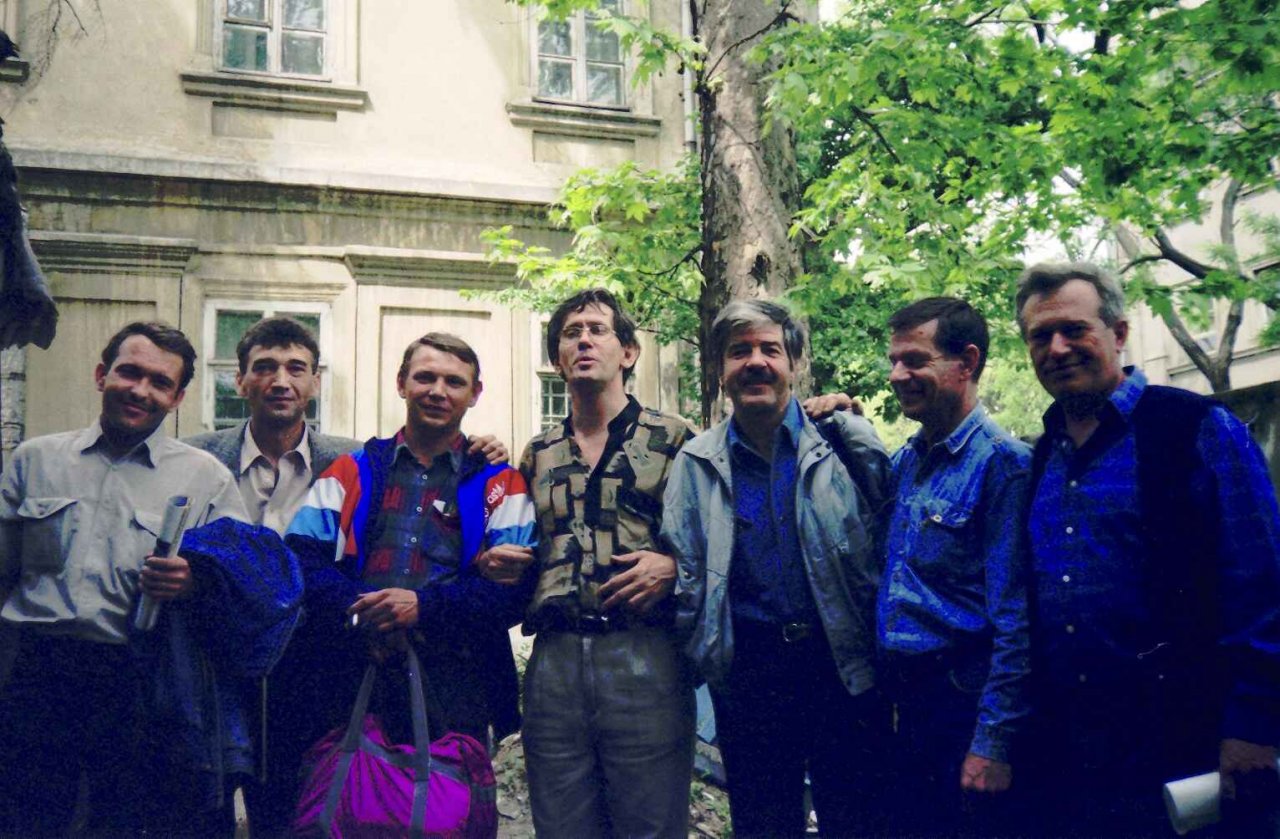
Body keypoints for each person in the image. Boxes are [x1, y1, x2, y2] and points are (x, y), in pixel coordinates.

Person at [1016, 262, 1280, 835]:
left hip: (1190, 740)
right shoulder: (1041, 458)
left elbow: (1262, 582)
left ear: (1118, 332)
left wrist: (1254, 724)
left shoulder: (1195, 428)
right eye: (1040, 336)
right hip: (1080, 754)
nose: (1057, 348)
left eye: (1074, 329)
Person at [0, 321, 249, 836]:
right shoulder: (35, 461)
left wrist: (194, 580)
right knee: (25, 819)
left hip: (138, 680)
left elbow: (242, 580)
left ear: (177, 399)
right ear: (101, 375)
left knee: (120, 823)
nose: (140, 390)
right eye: (129, 372)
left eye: (160, 382)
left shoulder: (206, 478)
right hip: (36, 674)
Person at [664, 299, 892, 839]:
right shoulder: (696, 462)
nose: (755, 362)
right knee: (763, 824)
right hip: (750, 677)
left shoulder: (843, 441)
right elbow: (685, 569)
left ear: (793, 363)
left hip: (842, 667)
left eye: (770, 349)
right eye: (739, 351)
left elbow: (891, 539)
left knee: (858, 822)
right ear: (720, 370)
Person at [491, 288, 697, 839]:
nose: (583, 340)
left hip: (645, 656)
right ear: (558, 359)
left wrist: (674, 568)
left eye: (597, 330)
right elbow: (521, 543)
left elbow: (715, 543)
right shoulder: (537, 452)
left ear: (628, 352)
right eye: (570, 333)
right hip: (554, 661)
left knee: (650, 827)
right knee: (562, 827)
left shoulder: (675, 439)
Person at [285, 332, 536, 756]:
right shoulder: (351, 470)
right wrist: (364, 610)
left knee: (449, 795)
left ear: (475, 394)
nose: (438, 391)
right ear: (401, 383)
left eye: (454, 382)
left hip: (459, 687)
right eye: (425, 377)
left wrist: (424, 608)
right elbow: (300, 561)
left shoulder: (500, 483)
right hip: (351, 677)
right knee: (351, 792)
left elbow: (514, 590)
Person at [878, 297, 1031, 837]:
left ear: (966, 362)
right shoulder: (906, 462)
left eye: (915, 361)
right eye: (894, 361)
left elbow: (1017, 619)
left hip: (961, 708)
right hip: (903, 705)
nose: (897, 375)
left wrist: (993, 743)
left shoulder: (1004, 466)